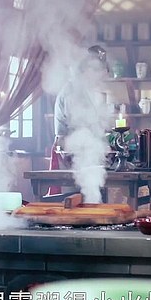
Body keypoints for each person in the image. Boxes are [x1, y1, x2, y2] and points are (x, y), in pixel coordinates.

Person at [46, 45, 109, 196]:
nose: (101, 77)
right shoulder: (72, 91)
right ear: (86, 70)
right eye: (98, 71)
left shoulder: (83, 91)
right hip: (71, 155)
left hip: (83, 155)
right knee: (72, 201)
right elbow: (78, 127)